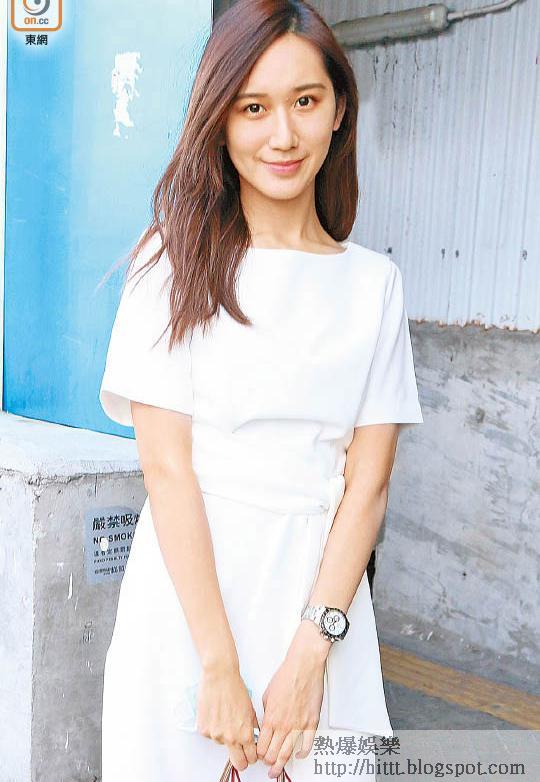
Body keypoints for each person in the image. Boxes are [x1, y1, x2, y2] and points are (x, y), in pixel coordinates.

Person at [98, 0, 424, 779]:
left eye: (305, 101)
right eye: (253, 108)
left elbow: (367, 485)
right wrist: (217, 665)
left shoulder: (374, 285)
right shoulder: (169, 265)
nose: (283, 135)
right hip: (187, 609)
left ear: (339, 110)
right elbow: (168, 470)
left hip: (320, 607)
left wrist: (311, 654)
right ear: (220, 121)